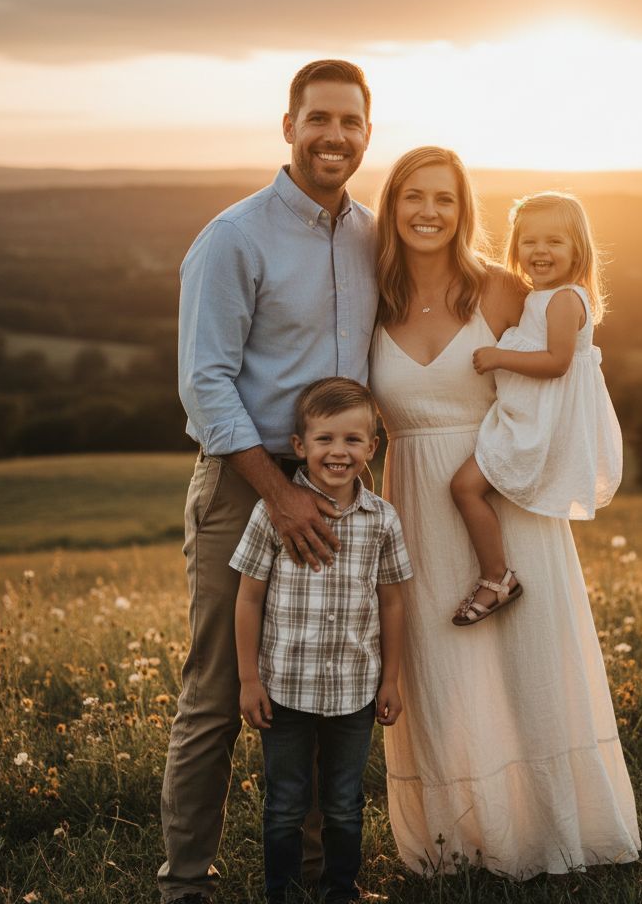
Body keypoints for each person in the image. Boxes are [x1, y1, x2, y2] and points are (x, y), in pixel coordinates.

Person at [368, 146, 641, 877]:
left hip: (502, 487)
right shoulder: (371, 295)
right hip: (416, 500)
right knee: (444, 670)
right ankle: (464, 842)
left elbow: (563, 375)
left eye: (445, 199)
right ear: (391, 208)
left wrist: (541, 470)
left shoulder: (502, 290)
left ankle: (557, 833)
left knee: (531, 665)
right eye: (412, 197)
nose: (428, 212)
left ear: (466, 212)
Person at [161, 60, 378, 904]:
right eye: (319, 119)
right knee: (218, 691)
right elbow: (203, 381)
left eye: (351, 123)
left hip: (341, 490)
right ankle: (187, 886)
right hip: (245, 484)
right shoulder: (234, 236)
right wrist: (279, 492)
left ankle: (324, 884)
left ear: (367, 133)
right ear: (287, 126)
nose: (335, 137)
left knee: (325, 688)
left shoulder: (372, 235)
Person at [231, 377, 412, 904]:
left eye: (353, 440)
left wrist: (391, 680)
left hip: (355, 692)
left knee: (344, 802)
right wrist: (248, 679)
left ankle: (341, 891)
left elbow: (393, 602)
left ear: (372, 448)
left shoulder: (382, 519)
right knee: (286, 802)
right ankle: (281, 893)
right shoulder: (273, 512)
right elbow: (248, 599)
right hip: (285, 689)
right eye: (325, 439)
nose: (339, 451)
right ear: (299, 447)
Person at [448, 191, 623, 625]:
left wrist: (498, 356)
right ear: (515, 246)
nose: (540, 251)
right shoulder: (540, 296)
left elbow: (557, 363)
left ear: (577, 249)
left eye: (554, 242)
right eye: (529, 241)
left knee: (464, 487)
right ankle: (496, 574)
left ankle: (496, 579)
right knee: (467, 487)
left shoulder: (565, 299)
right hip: (526, 416)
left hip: (539, 424)